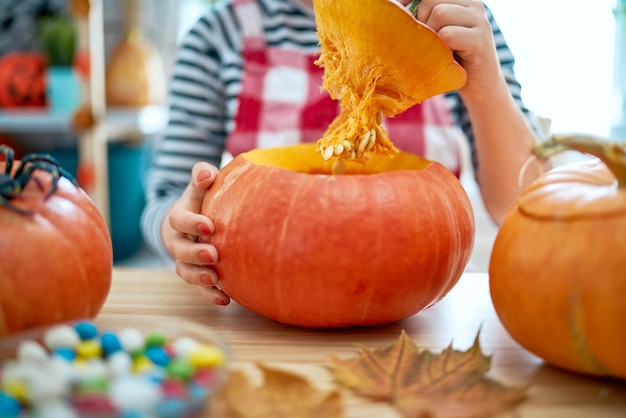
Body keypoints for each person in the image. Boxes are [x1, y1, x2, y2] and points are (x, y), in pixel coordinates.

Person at [141, 0, 542, 306]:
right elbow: (167, 198)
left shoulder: (455, 21)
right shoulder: (220, 32)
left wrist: (484, 83)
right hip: (264, 310)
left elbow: (523, 206)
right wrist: (179, 233)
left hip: (424, 311)